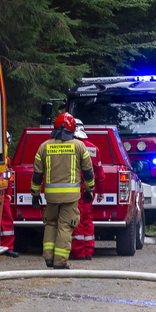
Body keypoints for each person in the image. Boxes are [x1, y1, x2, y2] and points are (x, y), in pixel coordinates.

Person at [31, 112, 95, 269]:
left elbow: (37, 174)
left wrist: (35, 194)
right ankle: (60, 262)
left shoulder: (44, 147)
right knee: (65, 227)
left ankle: (48, 258)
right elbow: (88, 172)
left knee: (50, 224)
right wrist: (89, 190)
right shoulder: (79, 146)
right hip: (71, 197)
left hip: (51, 197)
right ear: (72, 128)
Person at [71, 119, 106, 261]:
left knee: (76, 220)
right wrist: (101, 192)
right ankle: (88, 251)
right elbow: (100, 174)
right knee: (87, 220)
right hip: (89, 190)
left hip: (75, 190)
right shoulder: (94, 149)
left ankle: (79, 252)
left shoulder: (70, 147)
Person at [0, 131, 19, 258]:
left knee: (7, 220)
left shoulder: (5, 159)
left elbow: (9, 178)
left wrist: (9, 193)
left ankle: (7, 247)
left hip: (3, 194)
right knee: (6, 220)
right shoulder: (2, 158)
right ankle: (6, 247)